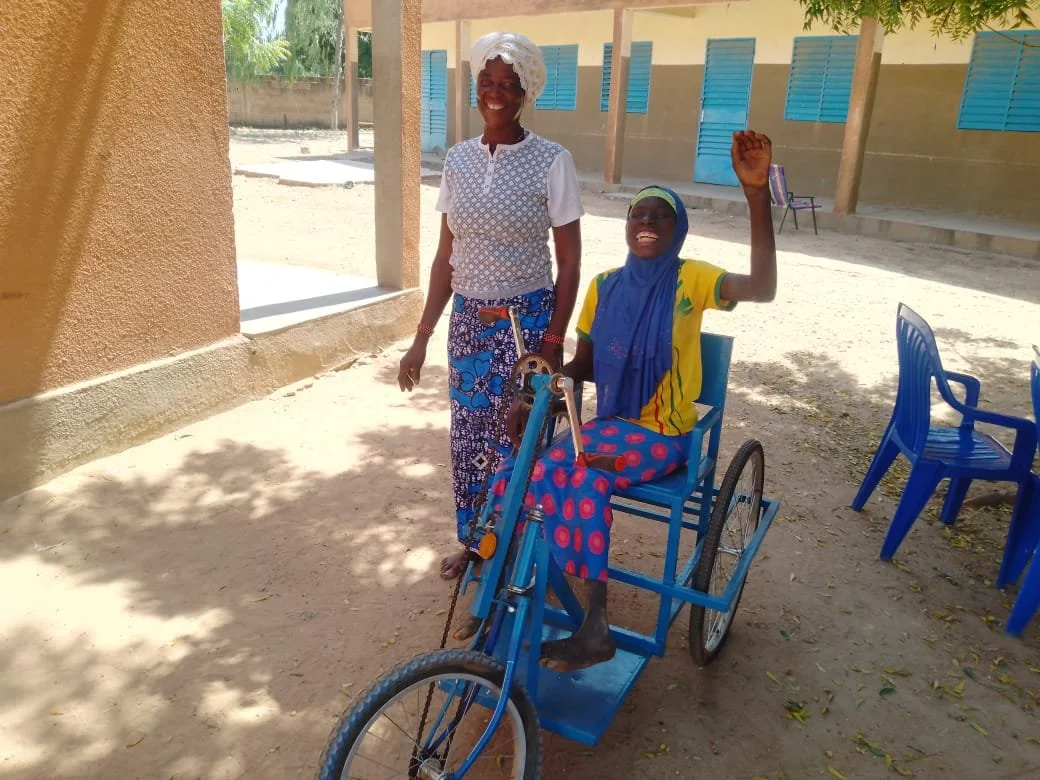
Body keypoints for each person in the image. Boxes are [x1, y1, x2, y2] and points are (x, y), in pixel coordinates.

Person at [488, 131, 778, 671]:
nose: (647, 222)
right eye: (638, 214)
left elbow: (761, 287)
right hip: (609, 424)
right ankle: (506, 587)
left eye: (661, 216)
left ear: (677, 230)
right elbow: (584, 363)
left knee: (585, 477)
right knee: (518, 471)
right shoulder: (604, 286)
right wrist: (548, 386)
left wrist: (756, 195)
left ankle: (595, 627)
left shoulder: (692, 280)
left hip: (662, 436)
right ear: (626, 226)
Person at [397, 32, 583, 581]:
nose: (495, 93)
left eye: (508, 84)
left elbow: (570, 263)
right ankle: (477, 544)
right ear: (475, 86)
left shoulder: (552, 161)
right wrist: (421, 338)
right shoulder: (457, 159)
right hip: (468, 328)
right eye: (487, 81)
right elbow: (445, 257)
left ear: (525, 93)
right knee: (469, 441)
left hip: (527, 328)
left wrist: (553, 343)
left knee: (517, 440)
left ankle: (516, 555)